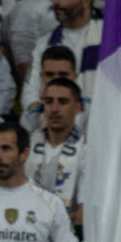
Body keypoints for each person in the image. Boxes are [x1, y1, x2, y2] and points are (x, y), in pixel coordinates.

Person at [22, 0, 102, 117]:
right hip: (55, 125)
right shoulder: (43, 44)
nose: (55, 3)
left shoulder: (110, 41)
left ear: (86, 0)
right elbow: (30, 93)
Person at [25, 78, 85, 230]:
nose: (54, 108)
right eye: (49, 101)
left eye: (63, 102)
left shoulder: (86, 149)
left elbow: (82, 213)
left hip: (67, 235)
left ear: (77, 107)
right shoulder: (26, 144)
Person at [19, 45, 78, 133]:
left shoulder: (91, 112)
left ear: (75, 76)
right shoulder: (30, 116)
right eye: (50, 75)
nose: (56, 79)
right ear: (41, 76)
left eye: (63, 74)